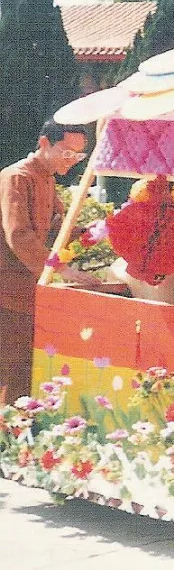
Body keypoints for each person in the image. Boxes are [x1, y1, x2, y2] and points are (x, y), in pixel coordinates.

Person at [0, 121, 96, 403]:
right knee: (10, 369)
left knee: (25, 369)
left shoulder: (48, 177)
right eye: (67, 153)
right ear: (44, 143)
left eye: (78, 156)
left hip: (30, 288)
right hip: (7, 289)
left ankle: (17, 434)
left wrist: (94, 232)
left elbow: (54, 228)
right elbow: (20, 235)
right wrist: (63, 270)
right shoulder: (17, 176)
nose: (72, 161)